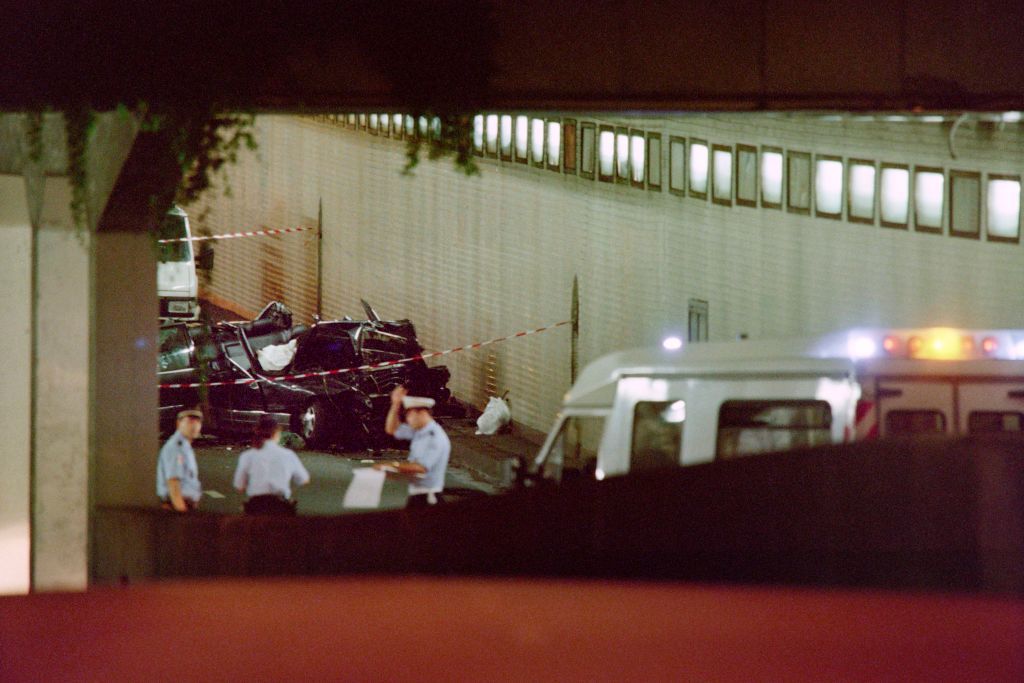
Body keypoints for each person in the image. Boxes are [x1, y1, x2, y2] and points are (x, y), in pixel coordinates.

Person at [379, 386, 451, 508]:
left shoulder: (435, 437)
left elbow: (421, 467)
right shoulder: (419, 431)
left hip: (428, 499)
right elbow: (392, 429)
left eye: (409, 415)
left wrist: (392, 466)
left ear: (421, 412)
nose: (407, 420)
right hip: (418, 496)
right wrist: (395, 405)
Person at [234, 415, 310, 515]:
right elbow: (304, 479)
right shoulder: (288, 455)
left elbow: (239, 486)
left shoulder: (247, 456)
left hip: (256, 505)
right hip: (280, 504)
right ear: (277, 434)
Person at [157, 409, 204, 512]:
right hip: (177, 505)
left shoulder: (185, 447)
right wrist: (183, 515)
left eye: (198, 422)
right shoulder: (176, 448)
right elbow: (173, 484)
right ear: (178, 424)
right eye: (190, 421)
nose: (194, 426)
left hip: (183, 505)